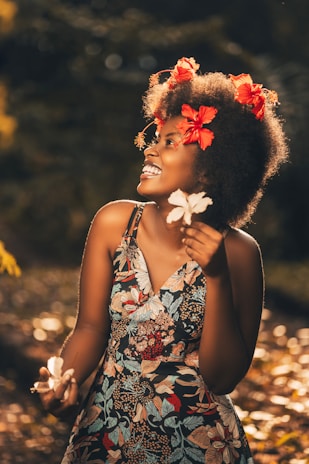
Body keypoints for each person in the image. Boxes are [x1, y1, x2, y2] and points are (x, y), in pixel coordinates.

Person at [35, 57, 288, 463]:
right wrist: (64, 381)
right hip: (107, 434)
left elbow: (222, 376)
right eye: (157, 136)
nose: (151, 147)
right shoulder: (114, 223)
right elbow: (90, 328)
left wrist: (217, 276)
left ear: (211, 169)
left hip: (199, 445)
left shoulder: (240, 254)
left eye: (171, 141)